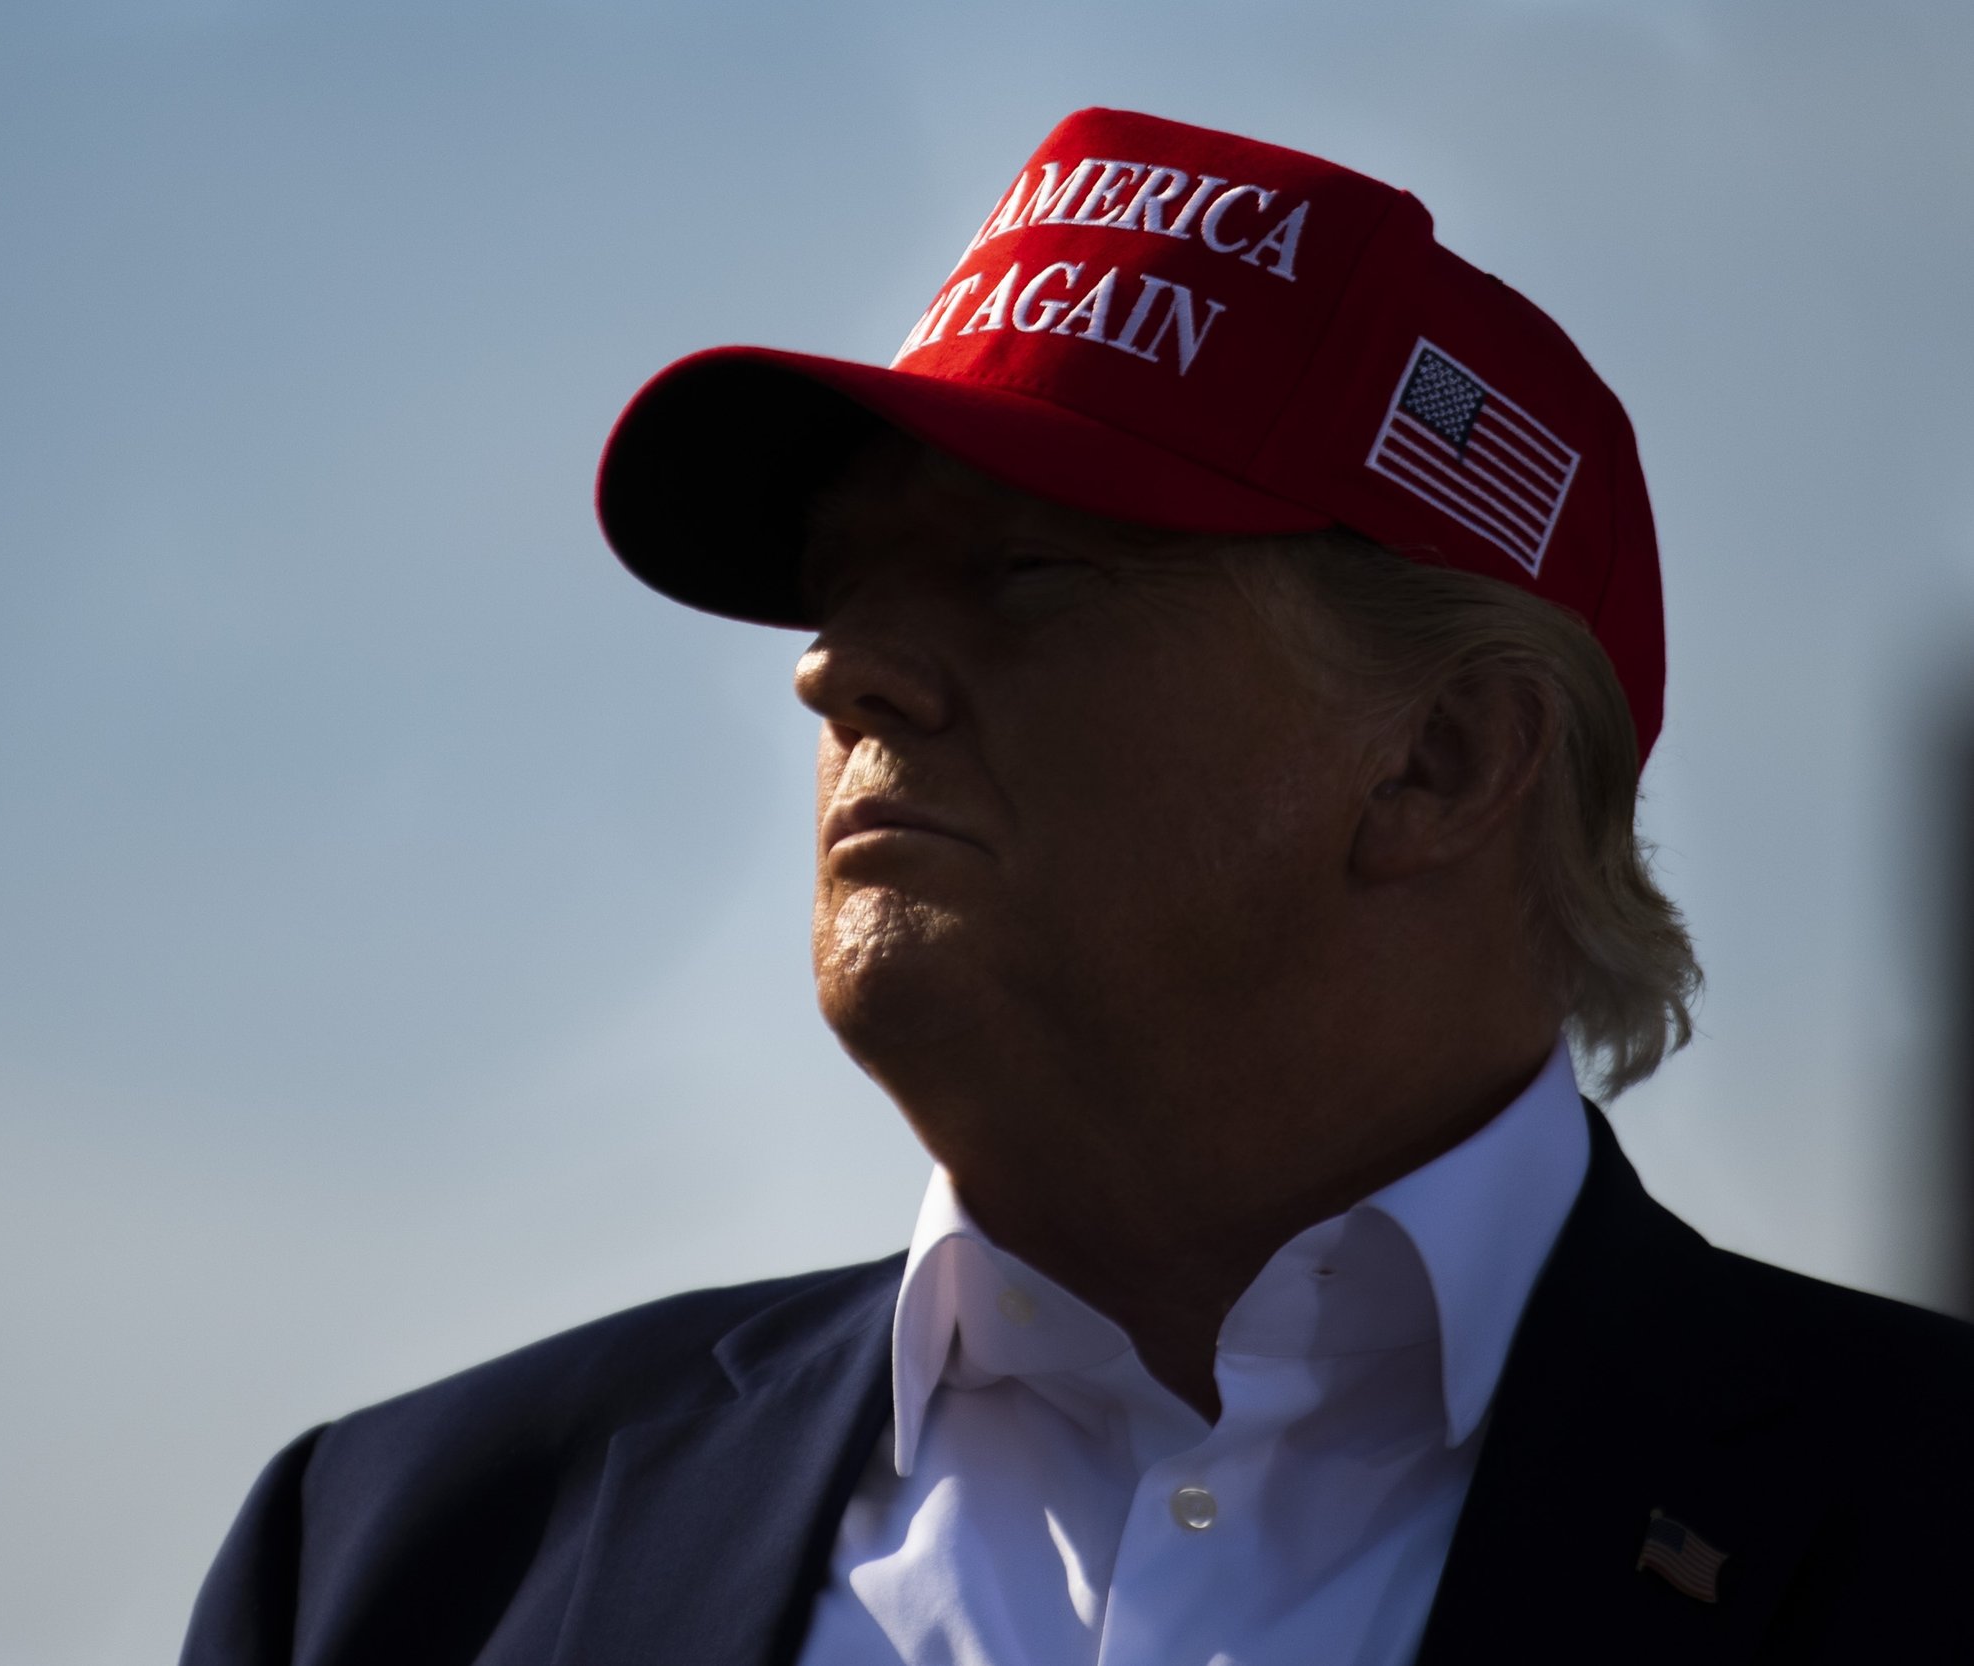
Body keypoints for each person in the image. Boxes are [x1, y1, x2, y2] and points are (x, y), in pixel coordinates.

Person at [180, 107, 1974, 1665]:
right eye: (839, 594)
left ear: (1442, 758)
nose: (840, 675)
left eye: (1026, 572)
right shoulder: (392, 1567)